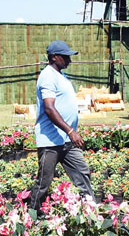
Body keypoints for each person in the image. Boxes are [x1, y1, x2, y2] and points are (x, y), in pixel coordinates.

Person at [30, 40, 95, 211]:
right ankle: (31, 217)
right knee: (44, 182)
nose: (69, 60)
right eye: (65, 57)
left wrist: (70, 133)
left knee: (82, 173)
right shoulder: (47, 77)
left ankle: (90, 211)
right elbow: (49, 109)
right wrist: (71, 131)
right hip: (50, 140)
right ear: (54, 57)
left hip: (66, 140)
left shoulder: (61, 76)